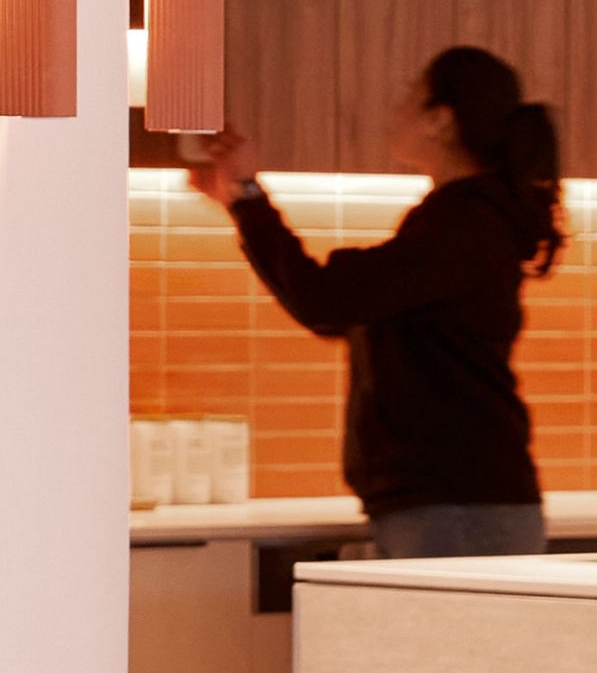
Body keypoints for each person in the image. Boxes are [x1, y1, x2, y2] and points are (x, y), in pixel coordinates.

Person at [184, 44, 564, 554]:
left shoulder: (464, 225)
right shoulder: (464, 221)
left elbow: (327, 299)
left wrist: (249, 196)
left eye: (410, 95)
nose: (396, 110)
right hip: (458, 504)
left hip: (457, 509)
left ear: (441, 120)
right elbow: (342, 310)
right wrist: (242, 202)